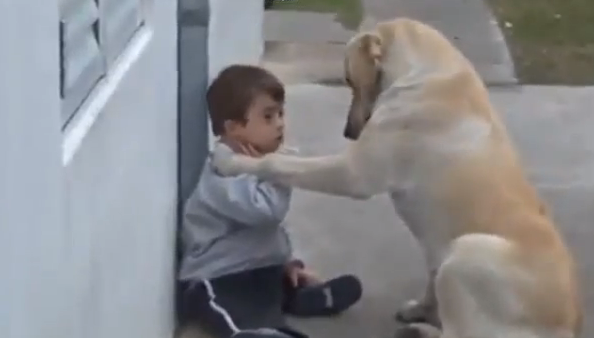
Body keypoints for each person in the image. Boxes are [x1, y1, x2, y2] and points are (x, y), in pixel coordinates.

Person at [177, 64, 362, 338]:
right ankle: (264, 331)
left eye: (280, 114)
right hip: (219, 277)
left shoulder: (257, 164)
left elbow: (267, 234)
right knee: (238, 314)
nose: (280, 123)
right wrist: (280, 170)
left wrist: (289, 262)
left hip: (258, 269)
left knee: (275, 285)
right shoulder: (223, 173)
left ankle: (300, 296)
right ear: (234, 127)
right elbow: (267, 212)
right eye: (268, 117)